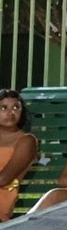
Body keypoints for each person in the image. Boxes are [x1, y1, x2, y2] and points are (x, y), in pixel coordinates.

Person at [0, 89, 39, 221]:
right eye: (3, 108)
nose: (11, 113)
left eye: (16, 107)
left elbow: (3, 180)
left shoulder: (26, 141)